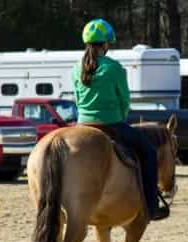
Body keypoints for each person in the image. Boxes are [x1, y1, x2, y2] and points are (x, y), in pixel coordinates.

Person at [72, 18, 169, 221]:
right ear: (106, 44)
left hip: (81, 125)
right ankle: (151, 206)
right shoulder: (113, 68)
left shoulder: (75, 68)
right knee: (149, 152)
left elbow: (77, 99)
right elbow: (124, 99)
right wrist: (121, 115)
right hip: (111, 125)